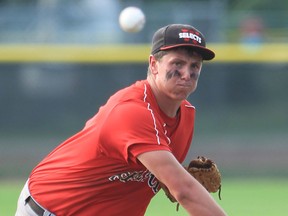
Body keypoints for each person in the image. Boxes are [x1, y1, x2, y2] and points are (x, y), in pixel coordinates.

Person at [16, 24, 227, 216]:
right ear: (154, 65)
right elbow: (184, 191)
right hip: (53, 209)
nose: (187, 73)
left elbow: (174, 182)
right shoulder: (132, 111)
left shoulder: (186, 115)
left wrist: (174, 178)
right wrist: (181, 183)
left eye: (195, 66)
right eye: (178, 63)